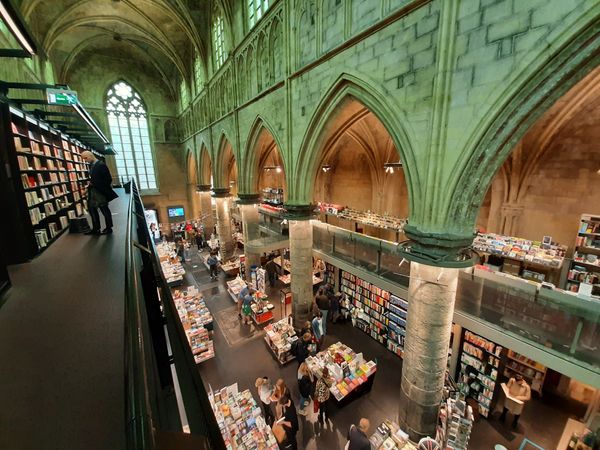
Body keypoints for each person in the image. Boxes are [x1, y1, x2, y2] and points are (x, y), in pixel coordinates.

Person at [81, 151, 118, 235]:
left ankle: (109, 228)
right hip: (93, 191)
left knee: (104, 210)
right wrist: (88, 188)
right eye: (84, 159)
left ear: (90, 156)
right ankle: (96, 228)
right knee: (92, 210)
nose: (85, 160)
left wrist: (100, 187)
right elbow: (93, 179)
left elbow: (108, 179)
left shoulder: (101, 165)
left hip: (100, 192)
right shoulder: (92, 165)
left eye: (86, 158)